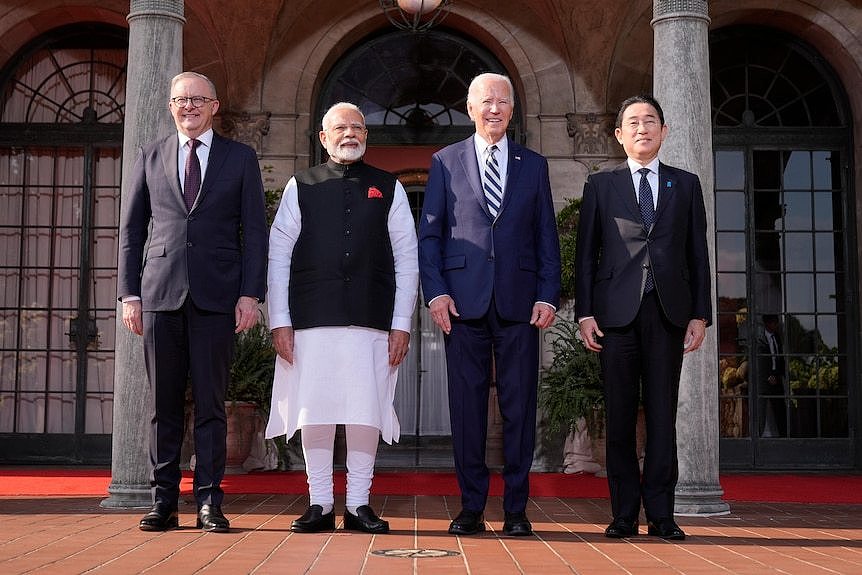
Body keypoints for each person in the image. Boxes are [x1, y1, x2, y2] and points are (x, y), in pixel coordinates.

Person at [118, 71, 269, 532]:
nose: (189, 107)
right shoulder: (151, 155)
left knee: (211, 405)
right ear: (169, 106)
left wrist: (249, 294)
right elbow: (131, 231)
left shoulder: (240, 158)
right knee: (162, 407)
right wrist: (129, 293)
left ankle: (209, 502)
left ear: (214, 106)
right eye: (181, 100)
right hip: (160, 296)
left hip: (217, 298)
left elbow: (254, 233)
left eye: (198, 99)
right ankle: (162, 501)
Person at [265, 102, 419, 534]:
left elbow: (408, 257)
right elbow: (279, 255)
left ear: (366, 136)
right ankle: (318, 503)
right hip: (310, 320)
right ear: (323, 137)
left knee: (363, 411)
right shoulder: (302, 185)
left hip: (371, 321)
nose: (349, 134)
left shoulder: (389, 187)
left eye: (357, 127)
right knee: (315, 411)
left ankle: (357, 505)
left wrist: (401, 323)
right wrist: (279, 320)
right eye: (340, 128)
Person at [418, 73, 561, 537]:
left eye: (502, 101)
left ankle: (517, 510)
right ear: (470, 107)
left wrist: (547, 293)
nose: (494, 108)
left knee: (521, 409)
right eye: (486, 101)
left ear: (513, 110)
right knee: (467, 409)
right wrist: (436, 293)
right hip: (462, 304)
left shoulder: (533, 165)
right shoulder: (444, 161)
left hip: (521, 303)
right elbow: (431, 235)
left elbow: (546, 235)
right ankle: (471, 507)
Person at [574, 94, 711, 541]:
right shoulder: (601, 184)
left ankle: (662, 515)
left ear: (664, 131)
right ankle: (623, 515)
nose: (642, 129)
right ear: (618, 135)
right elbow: (586, 254)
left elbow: (698, 254)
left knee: (661, 415)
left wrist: (700, 314)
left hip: (668, 313)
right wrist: (585, 312)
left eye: (650, 121)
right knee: (617, 417)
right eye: (632, 122)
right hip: (615, 315)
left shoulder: (685, 184)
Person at [757, 314, 787, 437]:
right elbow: (759, 361)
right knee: (761, 409)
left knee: (780, 408)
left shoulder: (777, 338)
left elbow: (779, 358)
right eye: (774, 323)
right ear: (767, 324)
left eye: (777, 323)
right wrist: (767, 376)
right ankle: (758, 436)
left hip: (776, 378)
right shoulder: (760, 338)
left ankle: (784, 435)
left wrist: (779, 375)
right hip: (764, 380)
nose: (776, 326)